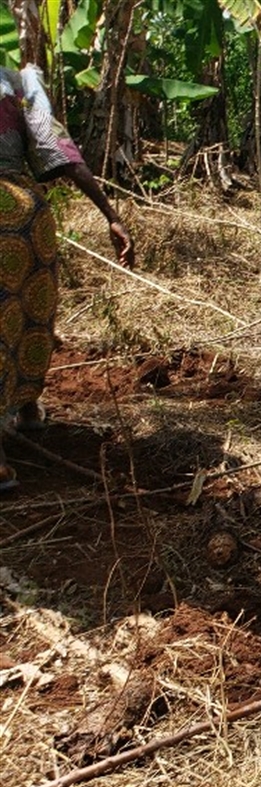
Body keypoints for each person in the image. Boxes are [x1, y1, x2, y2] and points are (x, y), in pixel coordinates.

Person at [0, 64, 134, 492]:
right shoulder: (20, 82)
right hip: (25, 217)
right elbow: (57, 150)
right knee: (27, 314)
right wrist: (111, 216)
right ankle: (29, 410)